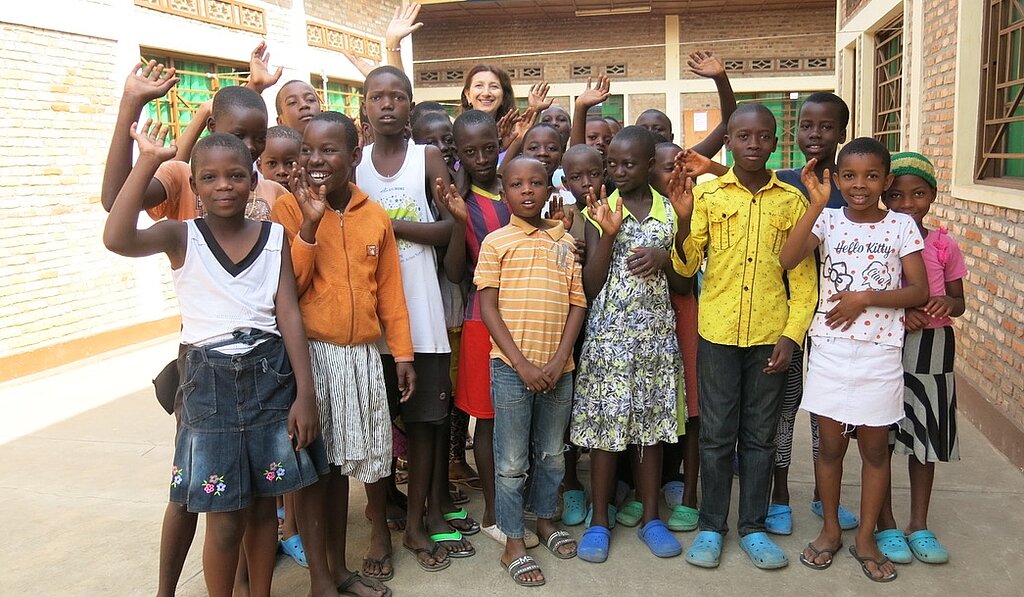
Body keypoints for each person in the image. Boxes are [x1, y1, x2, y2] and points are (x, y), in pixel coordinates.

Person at [103, 126, 322, 597]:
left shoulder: (274, 237)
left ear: (252, 180)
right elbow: (117, 238)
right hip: (209, 382)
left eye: (236, 175)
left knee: (265, 507)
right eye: (210, 177)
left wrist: (306, 394)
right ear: (195, 187)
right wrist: (149, 161)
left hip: (271, 376)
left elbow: (289, 315)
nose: (224, 185)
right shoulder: (180, 236)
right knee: (223, 518)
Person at [272, 111, 414, 597]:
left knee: (349, 468)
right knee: (318, 473)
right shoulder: (289, 212)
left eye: (329, 150)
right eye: (308, 150)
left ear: (354, 156)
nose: (315, 160)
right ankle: (323, 579)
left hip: (359, 358)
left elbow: (390, 292)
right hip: (311, 357)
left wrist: (402, 355)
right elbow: (287, 288)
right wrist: (309, 227)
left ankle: (336, 572)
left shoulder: (373, 215)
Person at [671, 104, 817, 570]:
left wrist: (791, 337)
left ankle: (752, 526)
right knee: (715, 436)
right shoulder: (710, 197)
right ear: (728, 142)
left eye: (763, 137)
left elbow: (805, 281)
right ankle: (713, 525)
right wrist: (682, 218)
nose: (753, 145)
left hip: (769, 338)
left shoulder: (792, 202)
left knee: (759, 436)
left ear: (777, 143)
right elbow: (687, 265)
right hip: (717, 335)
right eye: (743, 136)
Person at [780, 138, 929, 582]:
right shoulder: (827, 220)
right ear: (837, 179)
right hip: (830, 348)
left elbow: (919, 291)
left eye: (870, 176)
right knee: (829, 448)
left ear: (885, 181)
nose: (859, 185)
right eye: (849, 176)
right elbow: (789, 259)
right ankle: (830, 530)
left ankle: (865, 537)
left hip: (880, 352)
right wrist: (816, 204)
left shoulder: (901, 226)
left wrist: (865, 298)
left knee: (874, 450)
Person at [356, 65, 478, 571]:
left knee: (427, 424)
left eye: (397, 97)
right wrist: (413, 229)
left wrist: (388, 225)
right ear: (364, 106)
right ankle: (379, 526)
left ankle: (416, 526)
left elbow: (450, 227)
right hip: (369, 324)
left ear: (410, 106)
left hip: (423, 315)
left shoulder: (427, 157)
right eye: (377, 97)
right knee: (374, 430)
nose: (387, 104)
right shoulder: (354, 163)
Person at [572, 126, 690, 563]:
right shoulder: (597, 210)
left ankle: (651, 520)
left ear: (648, 165)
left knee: (651, 432)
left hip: (656, 340)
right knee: (605, 434)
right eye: (613, 165)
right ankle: (599, 520)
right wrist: (607, 232)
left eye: (629, 164)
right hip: (608, 341)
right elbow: (591, 283)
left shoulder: (670, 210)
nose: (619, 172)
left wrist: (665, 256)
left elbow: (682, 284)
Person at [468, 156, 587, 586]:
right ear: (505, 193)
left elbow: (577, 304)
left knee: (553, 455)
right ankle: (513, 540)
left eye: (536, 183)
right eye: (517, 184)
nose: (527, 190)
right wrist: (521, 363)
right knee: (512, 461)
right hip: (511, 369)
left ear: (548, 190)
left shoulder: (564, 243)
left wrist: (558, 361)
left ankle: (545, 520)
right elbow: (487, 307)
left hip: (559, 369)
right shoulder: (496, 243)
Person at [445, 109, 543, 548]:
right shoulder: (459, 202)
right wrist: (456, 224)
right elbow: (455, 270)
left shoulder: (521, 191)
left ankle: (519, 504)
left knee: (525, 418)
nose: (482, 157)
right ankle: (493, 511)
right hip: (482, 318)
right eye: (471, 151)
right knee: (487, 418)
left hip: (532, 316)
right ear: (458, 154)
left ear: (501, 144)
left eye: (490, 147)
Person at [765, 91, 858, 536]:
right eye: (806, 126)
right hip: (786, 317)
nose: (814, 134)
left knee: (828, 415)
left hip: (839, 322)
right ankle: (779, 492)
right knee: (785, 409)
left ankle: (826, 496)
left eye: (825, 127)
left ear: (842, 132)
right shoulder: (782, 180)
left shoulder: (855, 184)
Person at [875, 152, 966, 565]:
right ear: (884, 196)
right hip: (887, 345)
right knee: (882, 436)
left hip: (933, 351)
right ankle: (886, 522)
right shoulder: (880, 239)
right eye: (896, 195)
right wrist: (903, 310)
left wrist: (946, 303)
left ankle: (919, 524)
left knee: (924, 437)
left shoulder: (944, 244)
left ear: (932, 196)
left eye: (917, 194)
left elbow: (958, 301)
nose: (907, 203)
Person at [648, 141, 701, 532]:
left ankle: (688, 492)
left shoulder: (700, 209)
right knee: (654, 403)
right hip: (646, 317)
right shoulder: (639, 211)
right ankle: (642, 488)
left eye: (686, 169)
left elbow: (685, 282)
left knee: (692, 404)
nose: (679, 176)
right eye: (669, 168)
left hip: (688, 315)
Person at [259, 125, 302, 191]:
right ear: (259, 166)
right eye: (272, 163)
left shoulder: (310, 199)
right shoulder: (252, 199)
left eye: (290, 164)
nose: (281, 171)